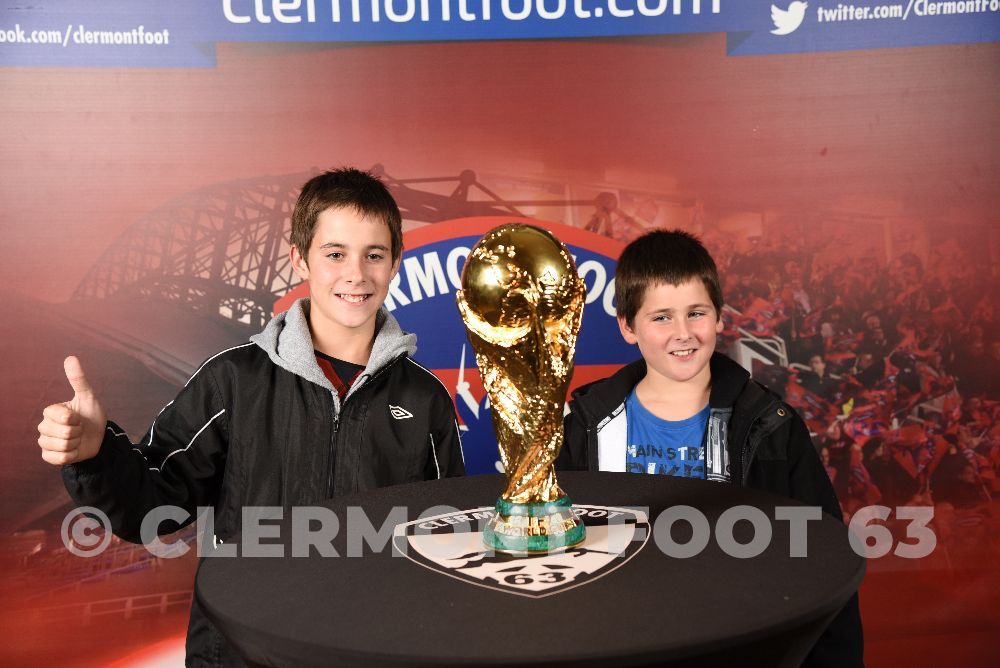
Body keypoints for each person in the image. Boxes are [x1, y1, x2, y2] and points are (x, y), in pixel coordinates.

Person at [36, 167, 465, 666]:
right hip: (239, 655)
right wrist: (97, 455)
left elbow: (445, 541)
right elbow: (154, 507)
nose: (356, 273)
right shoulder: (233, 381)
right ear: (299, 258)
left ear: (395, 263)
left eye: (374, 255)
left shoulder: (425, 399)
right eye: (335, 254)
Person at [558, 229, 863, 667]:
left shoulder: (770, 426)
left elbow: (826, 569)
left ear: (719, 316)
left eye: (696, 313)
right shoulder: (583, 427)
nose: (683, 334)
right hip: (617, 645)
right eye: (661, 317)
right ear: (628, 325)